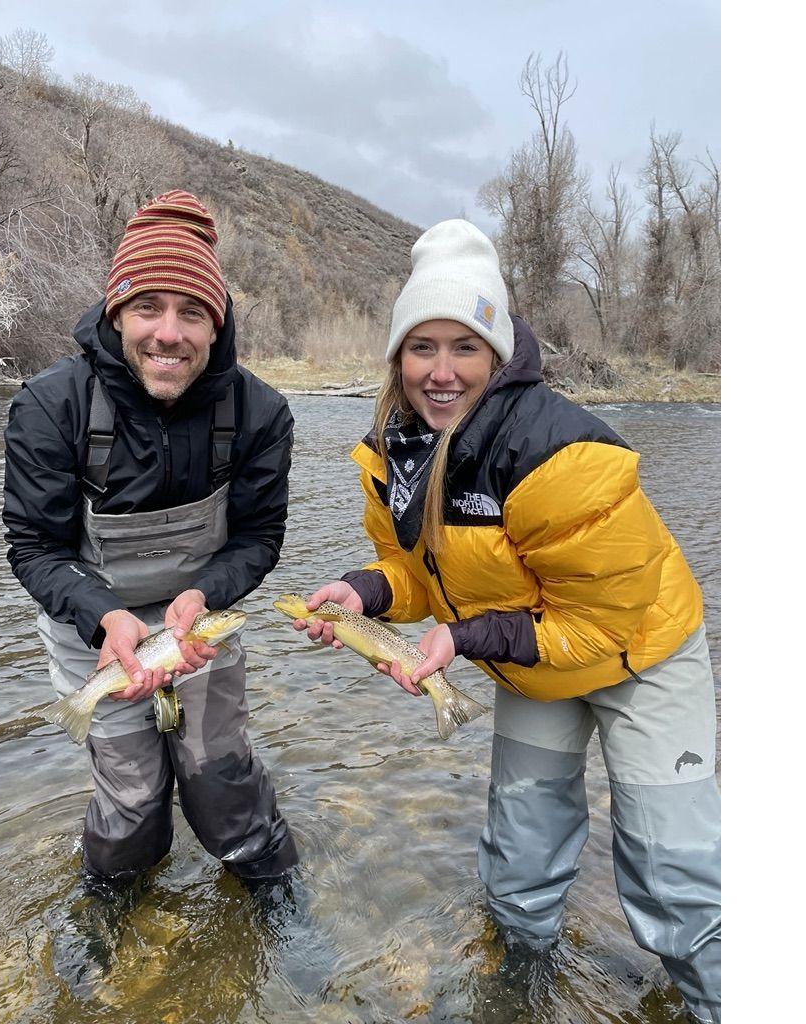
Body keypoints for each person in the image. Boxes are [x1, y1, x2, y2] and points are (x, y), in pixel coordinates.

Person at [292, 219, 720, 1023]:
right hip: (532, 650)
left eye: (465, 347)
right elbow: (418, 575)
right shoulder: (394, 453)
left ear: (499, 353)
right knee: (520, 855)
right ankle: (516, 994)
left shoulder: (556, 454)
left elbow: (593, 629)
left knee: (674, 876)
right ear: (397, 357)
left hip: (640, 651)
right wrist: (363, 594)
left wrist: (465, 638)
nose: (442, 372)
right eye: (423, 347)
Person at [3, 190, 299, 989]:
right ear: (117, 310)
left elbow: (257, 539)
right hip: (89, 626)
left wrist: (205, 594)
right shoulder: (50, 407)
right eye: (149, 308)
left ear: (218, 323)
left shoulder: (261, 413)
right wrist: (104, 615)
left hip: (196, 623)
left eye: (192, 312)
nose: (169, 332)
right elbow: (32, 546)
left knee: (219, 774)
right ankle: (110, 900)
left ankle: (275, 896)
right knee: (132, 794)